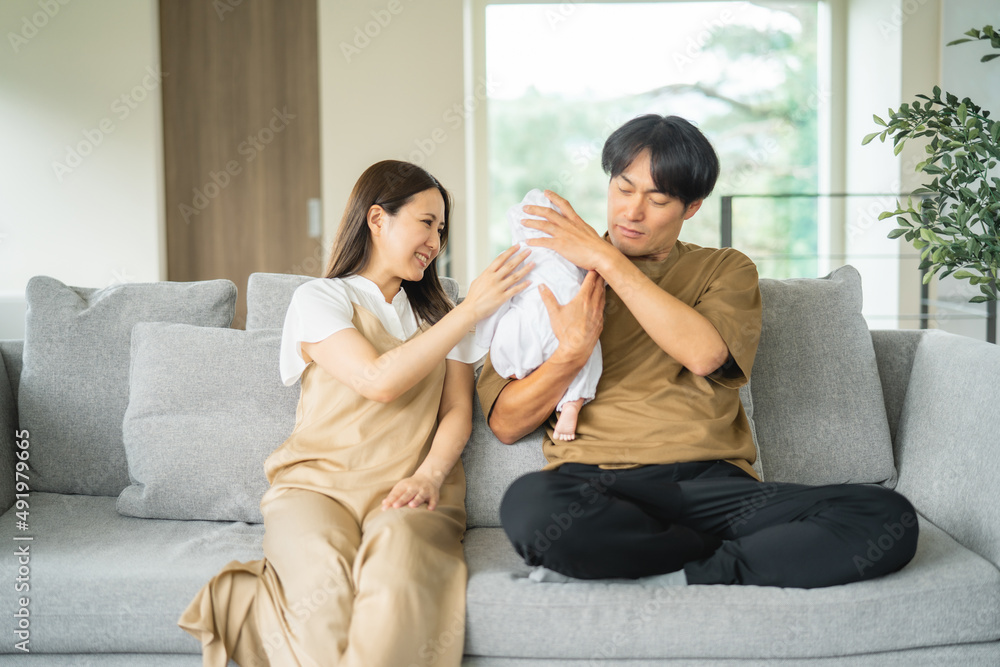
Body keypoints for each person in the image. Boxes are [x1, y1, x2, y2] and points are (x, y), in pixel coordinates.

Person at [477, 114, 919, 588]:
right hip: (598, 485)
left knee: (886, 516)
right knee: (529, 505)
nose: (632, 212)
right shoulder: (549, 274)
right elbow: (506, 424)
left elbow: (705, 355)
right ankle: (709, 557)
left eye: (657, 200)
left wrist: (606, 259)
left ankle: (669, 566)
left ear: (691, 207)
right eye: (623, 189)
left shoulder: (724, 268)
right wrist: (571, 353)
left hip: (715, 486)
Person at [178, 160, 534, 666]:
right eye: (426, 223)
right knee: (322, 596)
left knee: (397, 580)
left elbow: (457, 411)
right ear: (377, 218)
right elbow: (377, 380)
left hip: (412, 487)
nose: (436, 241)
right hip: (317, 487)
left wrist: (431, 476)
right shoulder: (320, 298)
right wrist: (470, 311)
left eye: (442, 229)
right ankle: (250, 601)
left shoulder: (443, 315)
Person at [475, 189, 602, 441]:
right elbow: (600, 281)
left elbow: (494, 304)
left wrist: (483, 337)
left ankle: (516, 370)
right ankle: (572, 404)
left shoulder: (516, 255)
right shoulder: (579, 257)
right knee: (590, 344)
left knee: (510, 337)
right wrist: (600, 259)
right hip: (568, 324)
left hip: (525, 326)